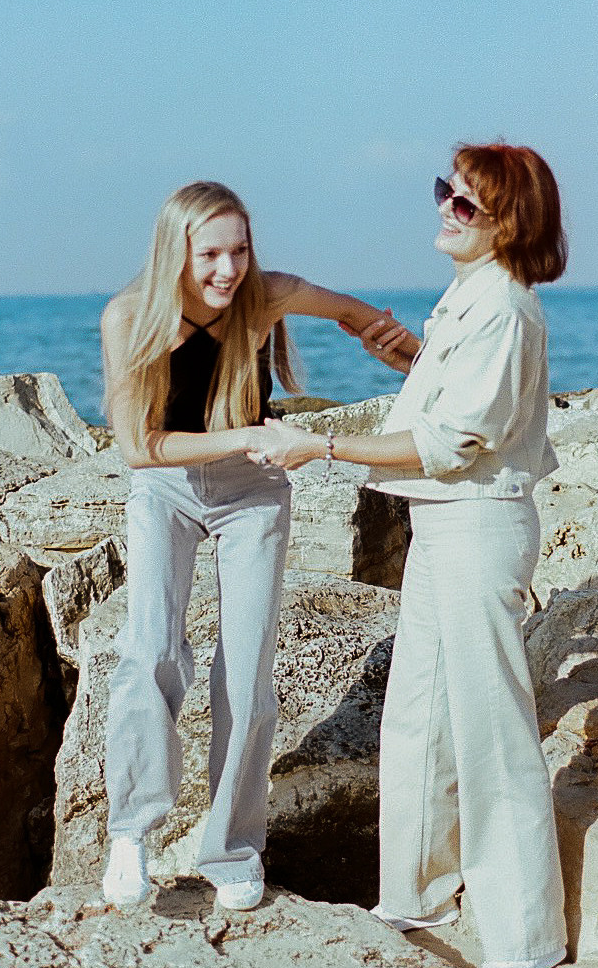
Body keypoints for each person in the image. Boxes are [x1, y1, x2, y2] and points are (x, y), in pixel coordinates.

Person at [248, 144, 568, 968]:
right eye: (444, 192)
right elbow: (462, 406)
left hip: (478, 523)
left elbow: (452, 444)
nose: (444, 209)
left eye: (465, 204)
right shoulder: (471, 293)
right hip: (442, 521)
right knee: (420, 712)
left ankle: (525, 933)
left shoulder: (503, 307)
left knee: (490, 728)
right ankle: (413, 896)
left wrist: (318, 444)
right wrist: (409, 364)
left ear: (509, 224)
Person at [101, 179, 400, 912]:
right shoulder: (129, 317)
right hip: (167, 489)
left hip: (253, 493)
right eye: (209, 254)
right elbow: (139, 447)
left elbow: (354, 313)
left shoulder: (265, 296)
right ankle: (130, 832)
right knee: (150, 651)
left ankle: (232, 848)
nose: (227, 269)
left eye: (238, 251)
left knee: (246, 672)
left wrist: (407, 353)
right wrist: (247, 434)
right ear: (175, 251)